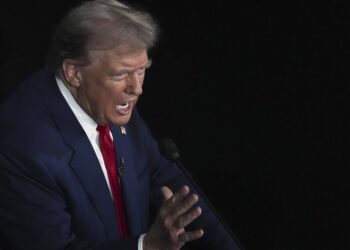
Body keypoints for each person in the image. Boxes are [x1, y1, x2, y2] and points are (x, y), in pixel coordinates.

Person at [0, 0, 242, 249]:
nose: (137, 89)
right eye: (120, 74)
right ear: (74, 73)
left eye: (141, 70)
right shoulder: (22, 147)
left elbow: (170, 181)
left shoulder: (110, 103)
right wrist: (147, 247)